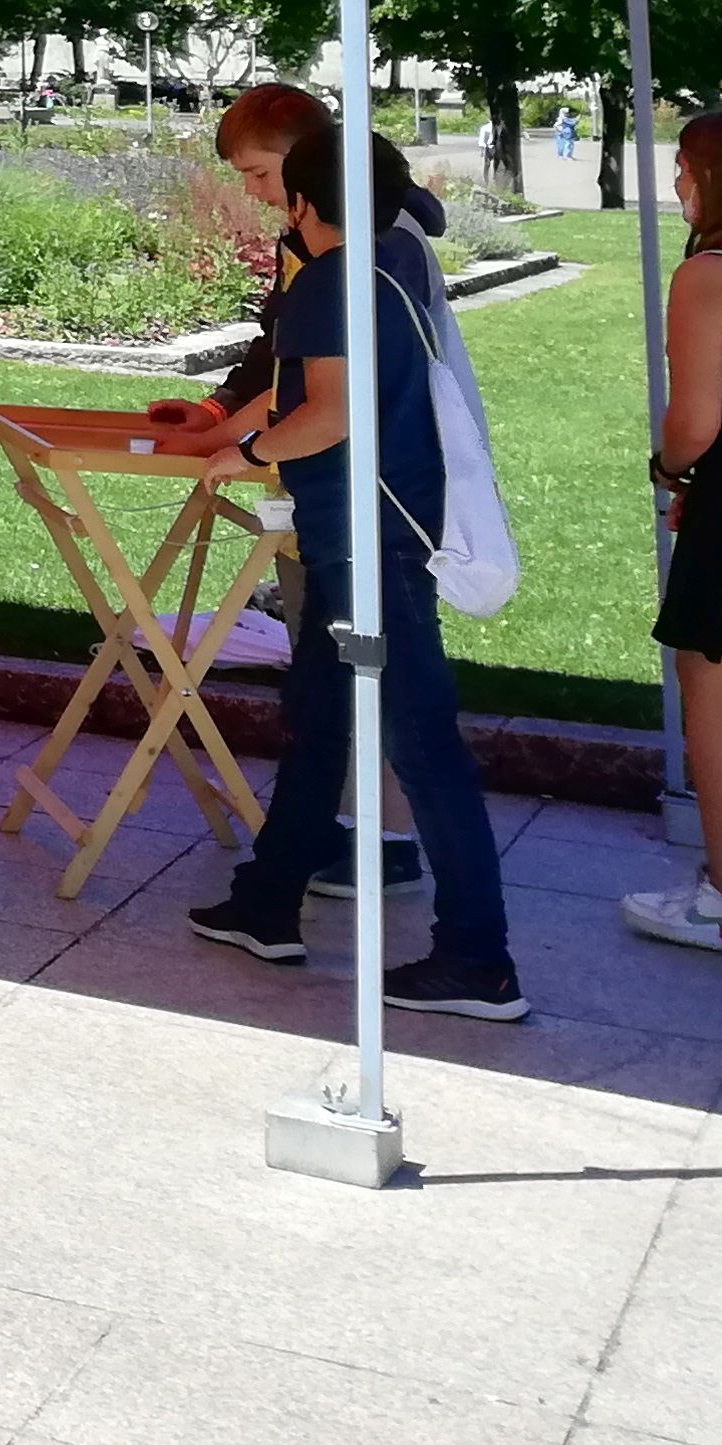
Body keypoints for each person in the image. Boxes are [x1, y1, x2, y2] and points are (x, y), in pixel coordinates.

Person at [187, 114, 524, 1019]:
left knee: (420, 741)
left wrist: (246, 452)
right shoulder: (395, 258)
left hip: (365, 538)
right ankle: (268, 898)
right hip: (383, 526)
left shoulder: (330, 281)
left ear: (304, 201)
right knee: (321, 710)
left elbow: (328, 413)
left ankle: (478, 957)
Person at [212, 81, 440, 897]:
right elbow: (284, 356)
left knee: (366, 674)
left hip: (366, 499)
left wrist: (247, 443)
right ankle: (325, 835)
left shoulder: (362, 253)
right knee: (331, 675)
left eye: (261, 174)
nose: (256, 194)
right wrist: (222, 415)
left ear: (310, 171)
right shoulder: (334, 245)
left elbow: (330, 397)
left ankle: (387, 836)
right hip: (347, 492)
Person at [632, 108, 722, 958]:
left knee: (713, 696)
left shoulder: (714, 272)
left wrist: (669, 468)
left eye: (684, 165)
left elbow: (695, 423)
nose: (677, 181)